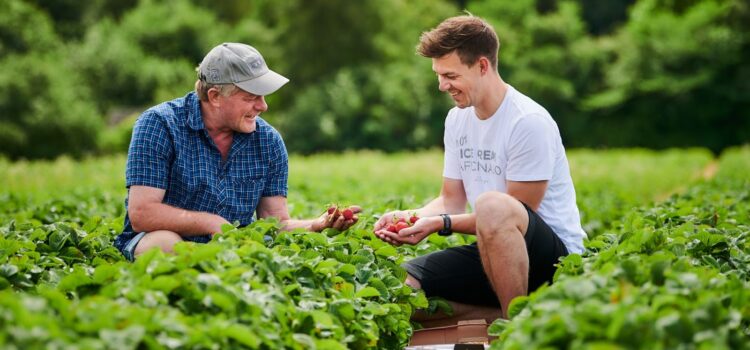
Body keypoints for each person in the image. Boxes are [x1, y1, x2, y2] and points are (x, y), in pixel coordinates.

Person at [374, 16, 586, 324]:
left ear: (482, 66)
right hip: (494, 250)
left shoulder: (527, 121)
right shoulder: (457, 120)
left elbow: (516, 215)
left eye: (450, 75)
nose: (442, 85)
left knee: (492, 204)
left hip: (552, 259)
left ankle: (517, 332)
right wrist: (410, 217)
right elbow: (451, 200)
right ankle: (507, 315)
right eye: (438, 75)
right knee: (402, 292)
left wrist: (439, 225)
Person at [114, 42, 359, 261]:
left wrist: (317, 224)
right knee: (165, 244)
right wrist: (211, 223)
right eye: (251, 96)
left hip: (233, 251)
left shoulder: (268, 141)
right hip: (160, 239)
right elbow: (142, 213)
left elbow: (275, 224)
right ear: (215, 96)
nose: (263, 106)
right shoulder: (159, 124)